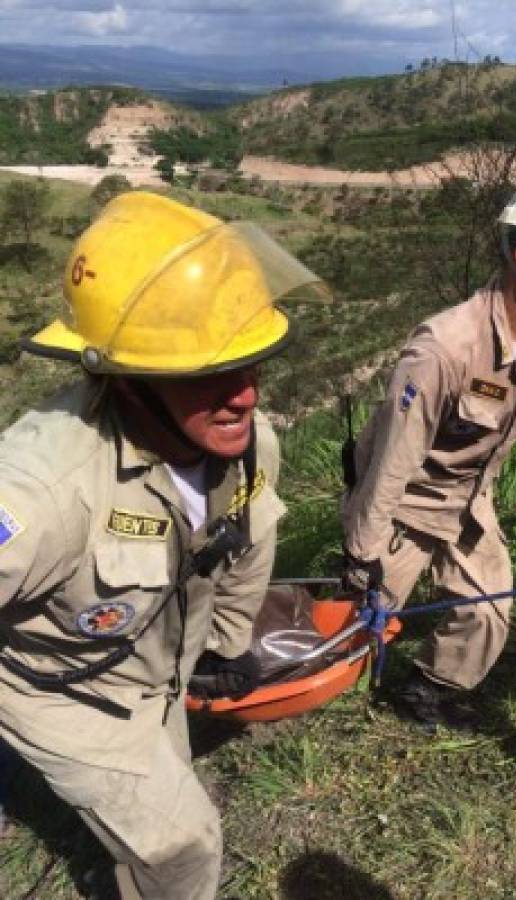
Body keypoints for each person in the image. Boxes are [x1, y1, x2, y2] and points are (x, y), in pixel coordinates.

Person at [0, 191, 327, 899]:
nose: (242, 396)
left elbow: (245, 545)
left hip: (160, 670)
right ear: (125, 380)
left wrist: (228, 644)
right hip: (64, 693)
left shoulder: (246, 446)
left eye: (249, 362)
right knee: (185, 845)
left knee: (162, 798)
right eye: (205, 374)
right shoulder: (43, 489)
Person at [342, 171, 516, 727]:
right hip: (408, 503)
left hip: (470, 497)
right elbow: (392, 461)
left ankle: (427, 689)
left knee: (489, 613)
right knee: (354, 624)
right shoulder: (444, 350)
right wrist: (363, 549)